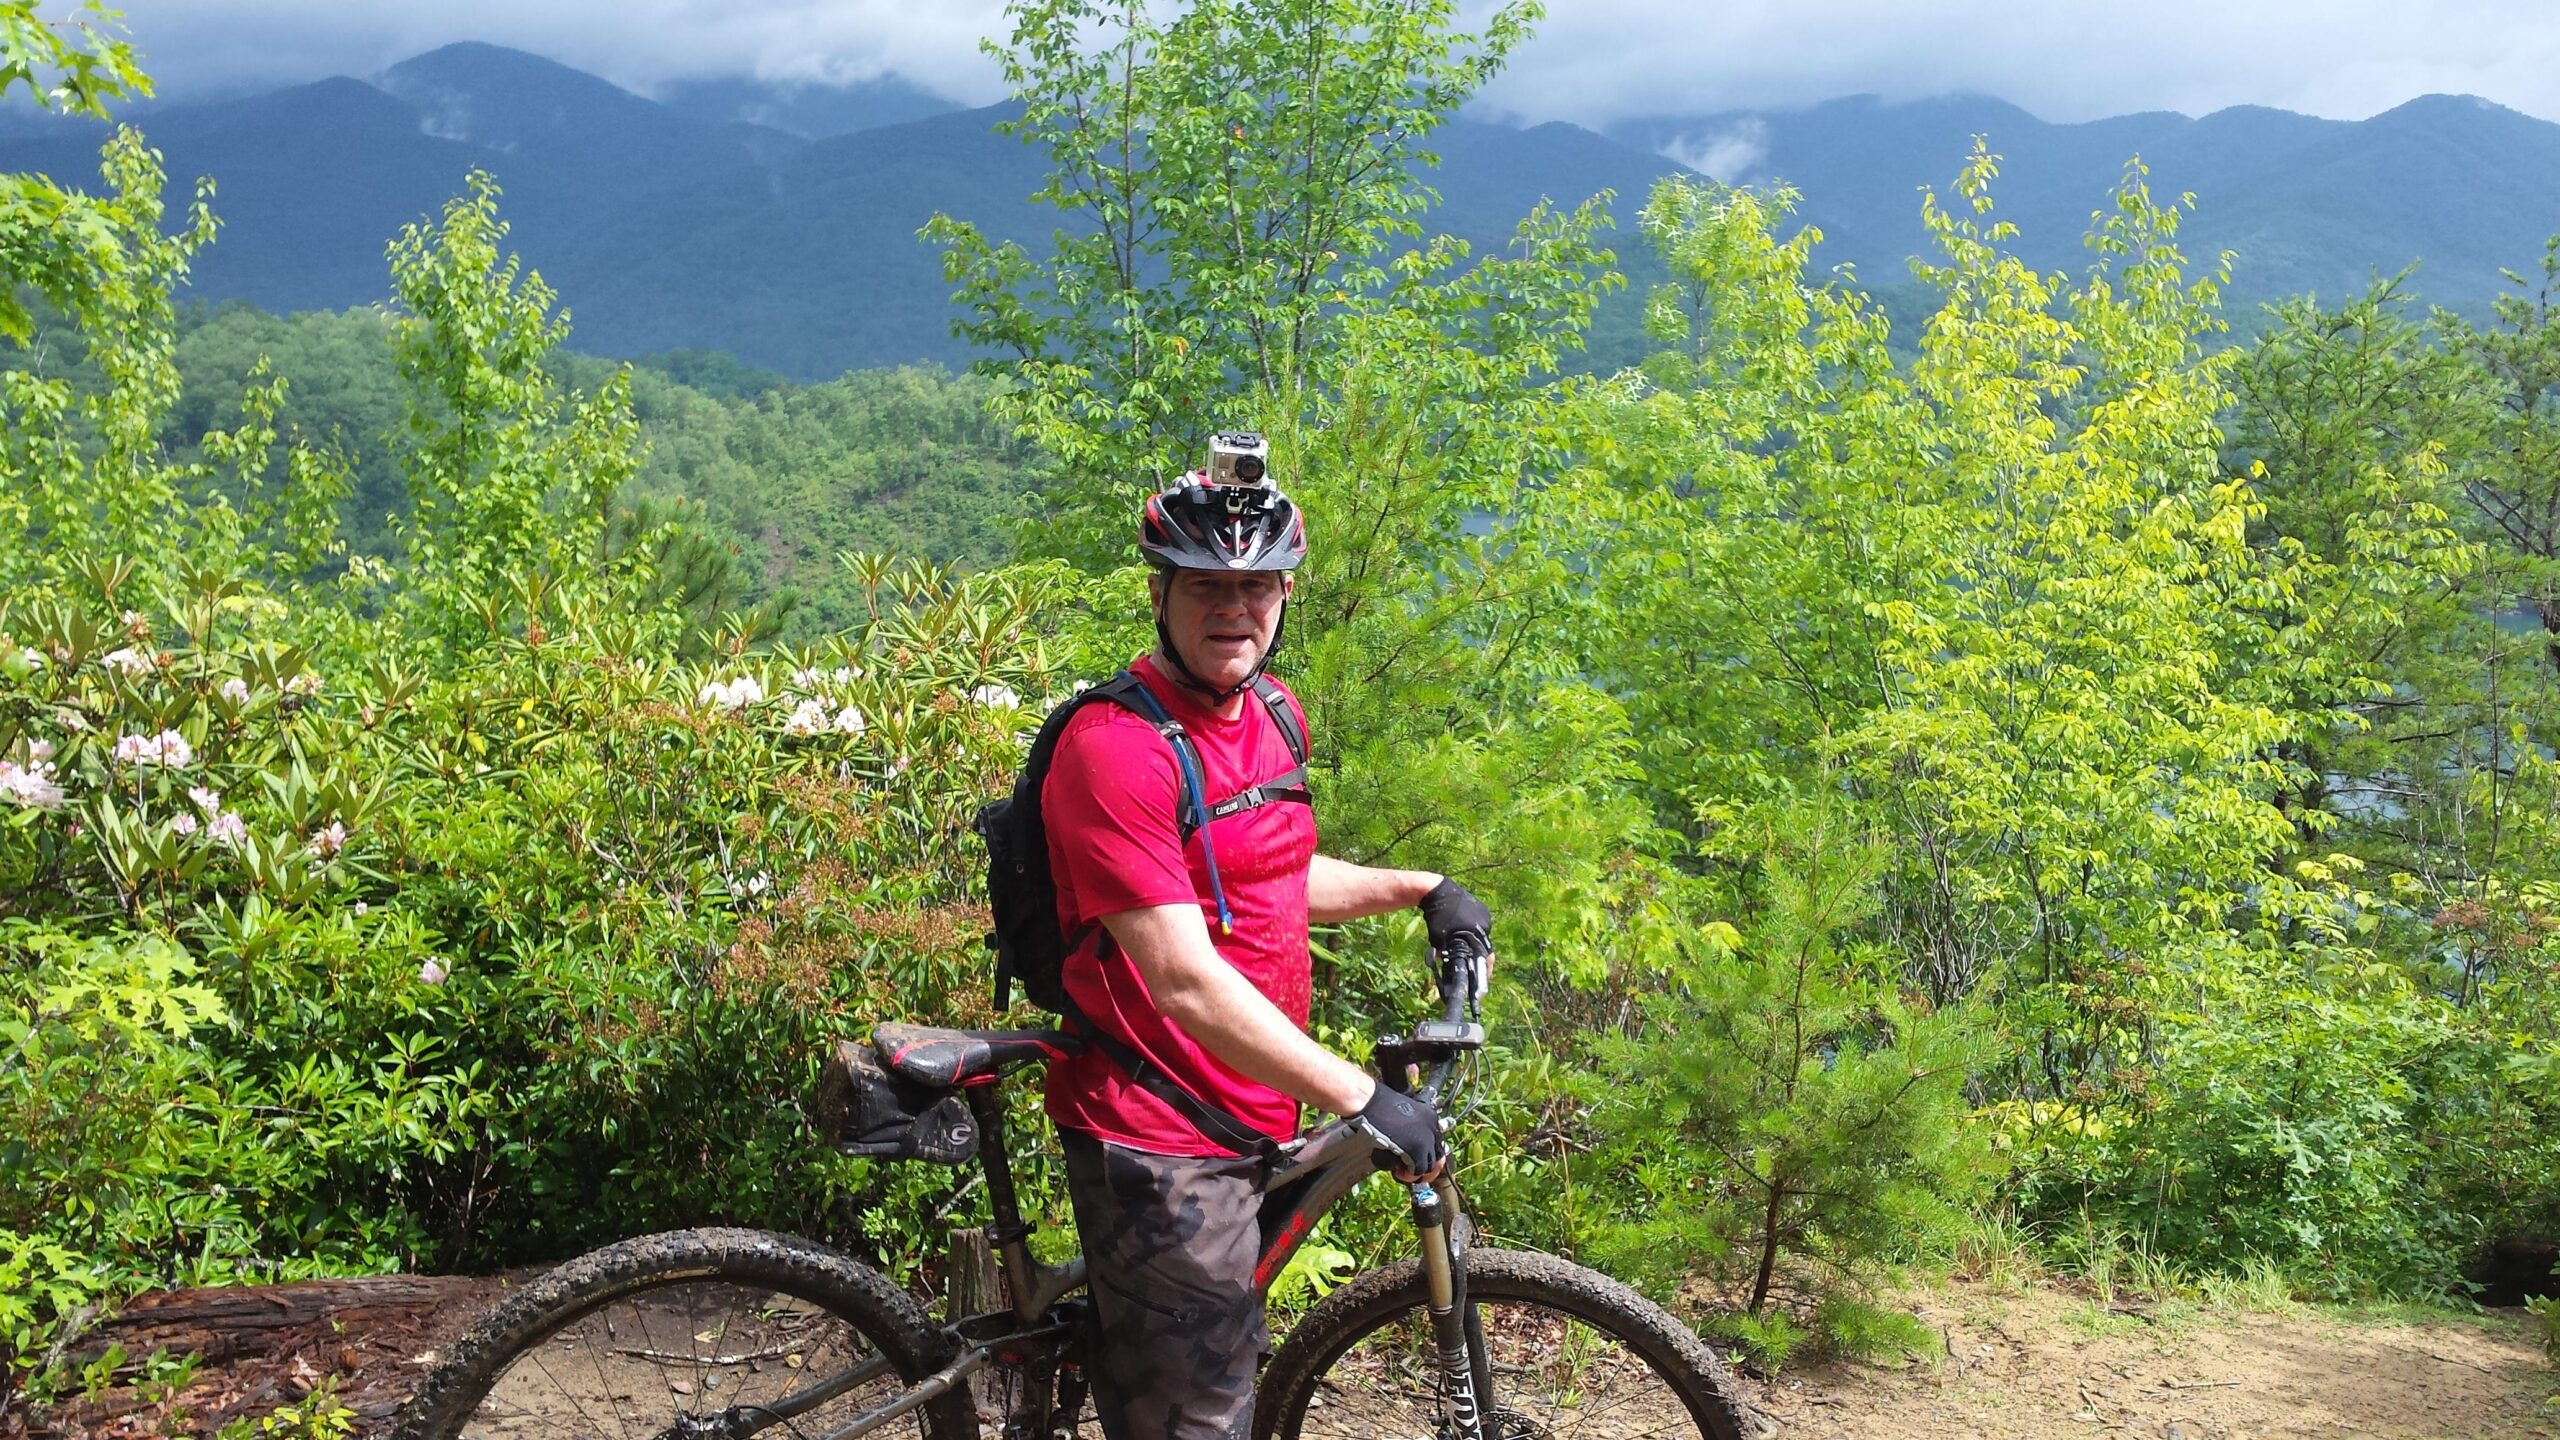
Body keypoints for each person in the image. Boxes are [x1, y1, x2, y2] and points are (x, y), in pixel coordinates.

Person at [1039, 469, 1494, 1440]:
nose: (1232, 609)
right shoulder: (1117, 748)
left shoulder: (1272, 713)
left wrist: (1419, 889)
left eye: (1255, 588)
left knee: (1206, 1366)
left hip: (1244, 1108)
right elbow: (1182, 977)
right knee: (1203, 1420)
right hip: (1156, 1131)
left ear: (1286, 594)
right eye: (1205, 585)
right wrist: (1362, 1095)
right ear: (1158, 593)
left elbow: (1267, 872)